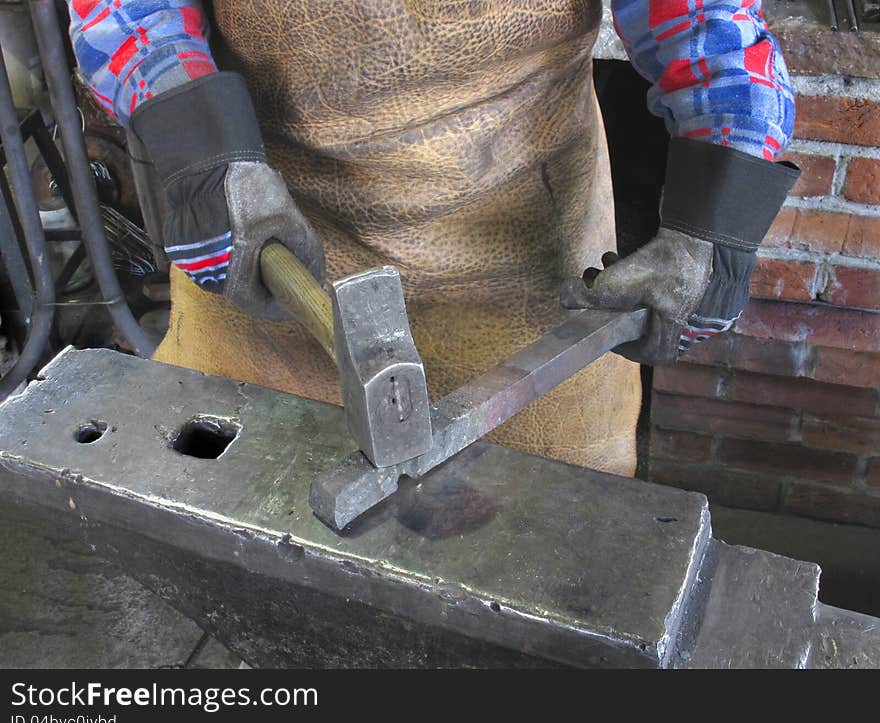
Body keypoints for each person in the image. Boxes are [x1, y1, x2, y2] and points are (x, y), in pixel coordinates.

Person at [65, 0, 799, 476]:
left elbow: (707, 26)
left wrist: (720, 217)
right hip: (268, 268)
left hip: (533, 300)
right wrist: (201, 154)